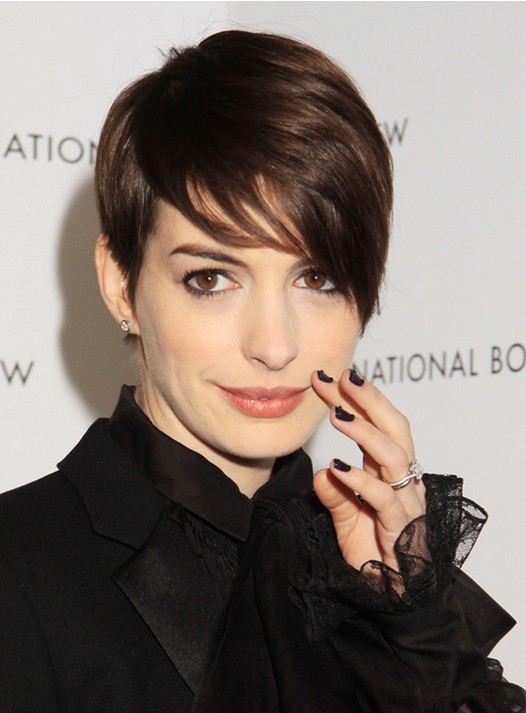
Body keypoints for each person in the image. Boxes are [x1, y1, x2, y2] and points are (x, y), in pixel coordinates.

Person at [0, 30, 523, 713]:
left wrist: (413, 626)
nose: (275, 346)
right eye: (211, 278)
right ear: (120, 283)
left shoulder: (384, 588)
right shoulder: (18, 569)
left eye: (317, 277)